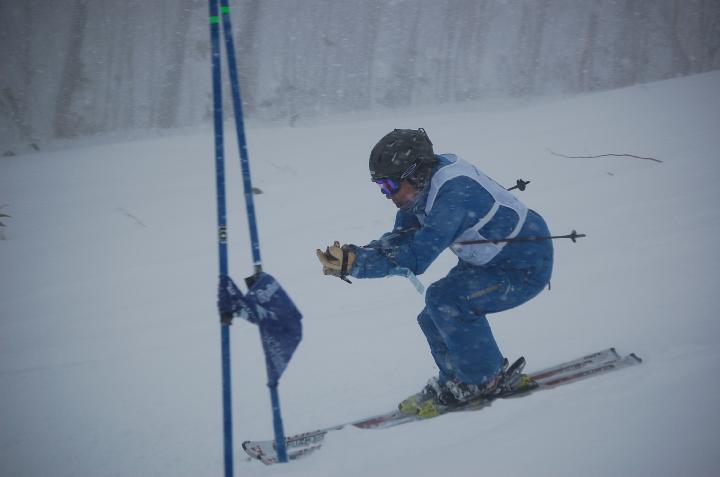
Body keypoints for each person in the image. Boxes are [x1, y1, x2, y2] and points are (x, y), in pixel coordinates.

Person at [316, 128, 553, 418]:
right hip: (489, 260)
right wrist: (355, 256)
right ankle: (458, 379)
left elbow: (417, 256)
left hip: (523, 265)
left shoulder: (453, 196)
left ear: (415, 173)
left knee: (447, 301)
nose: (387, 195)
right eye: (381, 187)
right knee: (432, 315)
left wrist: (358, 264)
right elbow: (403, 236)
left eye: (389, 185)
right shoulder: (422, 188)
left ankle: (484, 380)